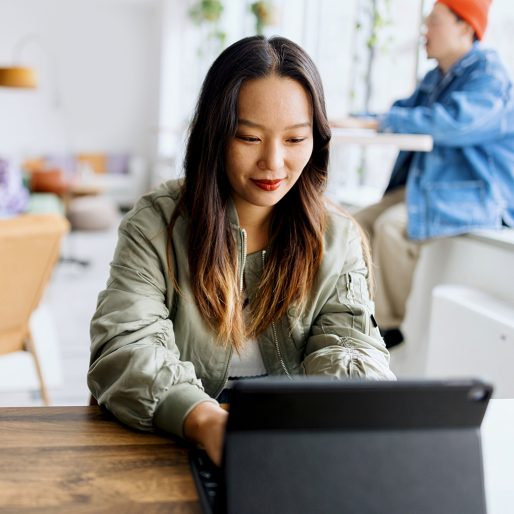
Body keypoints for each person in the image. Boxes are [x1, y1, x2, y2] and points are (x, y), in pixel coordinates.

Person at [88, 35, 395, 466]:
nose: (273, 162)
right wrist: (202, 418)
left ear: (317, 141)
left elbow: (351, 346)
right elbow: (125, 347)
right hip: (170, 439)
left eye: (294, 140)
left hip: (293, 446)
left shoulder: (337, 236)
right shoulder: (156, 224)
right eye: (249, 138)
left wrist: (318, 415)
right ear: (215, 136)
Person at [352, 0, 514, 347]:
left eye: (434, 23)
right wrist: (352, 118)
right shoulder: (435, 77)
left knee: (391, 228)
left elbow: (451, 123)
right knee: (351, 223)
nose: (425, 32)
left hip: (474, 195)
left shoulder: (490, 76)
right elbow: (398, 113)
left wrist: (380, 122)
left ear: (465, 28)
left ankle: (387, 327)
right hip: (429, 188)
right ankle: (347, 311)